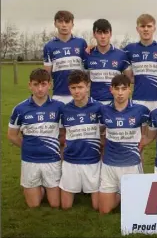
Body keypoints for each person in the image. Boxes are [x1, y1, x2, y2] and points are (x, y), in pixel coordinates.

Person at [7, 68, 64, 208]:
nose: (40, 89)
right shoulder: (20, 109)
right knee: (34, 205)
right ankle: (37, 187)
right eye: (36, 84)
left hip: (52, 160)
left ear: (49, 85)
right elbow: (12, 135)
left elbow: (63, 134)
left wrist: (59, 150)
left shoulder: (59, 107)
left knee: (55, 204)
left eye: (44, 84)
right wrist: (28, 146)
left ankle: (43, 186)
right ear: (29, 85)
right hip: (30, 161)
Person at [98, 75, 149, 214]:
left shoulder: (141, 110)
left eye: (124, 89)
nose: (120, 93)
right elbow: (101, 132)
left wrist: (144, 141)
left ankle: (127, 190)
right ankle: (121, 193)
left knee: (136, 210)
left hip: (131, 164)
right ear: (111, 90)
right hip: (109, 165)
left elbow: (147, 131)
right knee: (104, 210)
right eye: (117, 89)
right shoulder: (104, 111)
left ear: (129, 90)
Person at [58, 70, 103, 210]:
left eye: (80, 87)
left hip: (93, 162)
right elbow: (61, 134)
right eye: (73, 88)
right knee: (65, 207)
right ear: (69, 88)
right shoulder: (64, 110)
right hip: (71, 162)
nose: (76, 91)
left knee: (97, 207)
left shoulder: (99, 108)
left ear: (88, 86)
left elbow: (104, 133)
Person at [124, 14, 157, 111]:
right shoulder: (129, 49)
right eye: (142, 26)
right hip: (138, 100)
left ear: (154, 28)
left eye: (149, 26)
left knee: (156, 127)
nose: (146, 29)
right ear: (137, 29)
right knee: (140, 126)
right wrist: (92, 47)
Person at [84, 19, 132, 105]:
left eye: (106, 32)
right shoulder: (88, 55)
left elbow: (128, 81)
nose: (103, 36)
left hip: (115, 104)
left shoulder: (121, 55)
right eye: (99, 32)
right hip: (94, 104)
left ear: (110, 34)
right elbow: (85, 82)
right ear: (94, 34)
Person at [43, 10, 87, 104]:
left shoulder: (81, 43)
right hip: (59, 95)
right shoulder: (49, 46)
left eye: (67, 22)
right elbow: (47, 75)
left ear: (72, 24)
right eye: (60, 22)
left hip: (79, 94)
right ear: (55, 24)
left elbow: (87, 69)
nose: (64, 25)